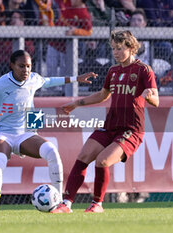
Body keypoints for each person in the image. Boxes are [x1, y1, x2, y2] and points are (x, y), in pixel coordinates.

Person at [0, 50, 97, 213]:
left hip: (26, 133)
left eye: (28, 66)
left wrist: (76, 79)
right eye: (21, 66)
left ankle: (59, 201)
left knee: (52, 151)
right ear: (12, 66)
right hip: (2, 133)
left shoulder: (33, 79)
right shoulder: (1, 83)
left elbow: (50, 81)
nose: (26, 70)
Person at [52, 30, 159, 213]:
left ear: (131, 47)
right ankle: (66, 203)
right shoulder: (113, 71)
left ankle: (97, 204)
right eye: (113, 49)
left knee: (102, 160)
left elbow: (156, 101)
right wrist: (77, 103)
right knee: (83, 156)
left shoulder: (144, 70)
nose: (115, 52)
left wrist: (149, 96)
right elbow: (103, 95)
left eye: (119, 48)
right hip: (110, 126)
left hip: (131, 129)